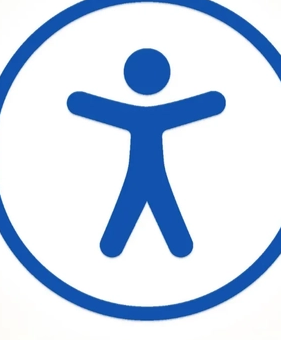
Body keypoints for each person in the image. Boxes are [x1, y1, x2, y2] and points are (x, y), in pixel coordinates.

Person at [67, 47, 225, 258]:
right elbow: (212, 103)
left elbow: (81, 103)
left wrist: (81, 102)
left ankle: (119, 248)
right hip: (147, 173)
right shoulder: (157, 115)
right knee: (156, 208)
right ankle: (172, 248)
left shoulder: (136, 115)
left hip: (145, 173)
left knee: (143, 208)